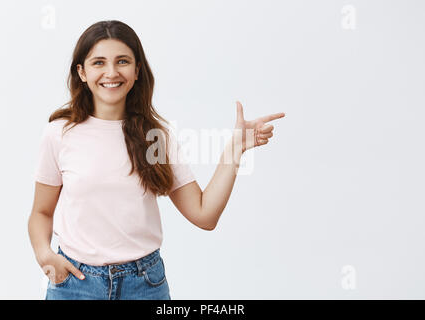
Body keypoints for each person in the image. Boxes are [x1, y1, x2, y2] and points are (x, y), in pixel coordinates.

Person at [28, 20, 285, 300]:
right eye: (99, 63)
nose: (111, 72)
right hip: (75, 284)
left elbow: (204, 215)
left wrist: (235, 150)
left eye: (122, 61)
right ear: (82, 72)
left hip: (143, 285)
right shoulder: (59, 134)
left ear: (137, 70)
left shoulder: (156, 137)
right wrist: (45, 254)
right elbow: (41, 212)